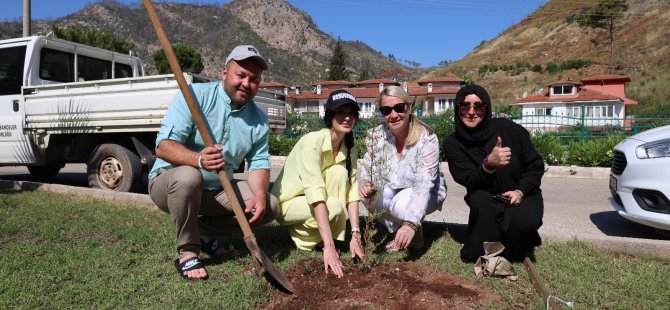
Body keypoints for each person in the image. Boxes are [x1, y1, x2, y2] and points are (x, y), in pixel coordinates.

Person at [148, 45, 278, 280]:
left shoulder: (258, 120)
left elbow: (258, 162)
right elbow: (162, 146)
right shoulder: (194, 96)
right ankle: (188, 252)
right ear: (224, 73)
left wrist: (258, 194)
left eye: (254, 79)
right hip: (169, 183)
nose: (246, 84)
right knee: (188, 176)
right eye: (241, 75)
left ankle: (203, 232)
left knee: (269, 206)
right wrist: (197, 159)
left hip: (216, 189)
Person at [443, 84, 544, 262]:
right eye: (465, 106)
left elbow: (535, 165)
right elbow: (468, 179)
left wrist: (520, 191)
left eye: (478, 106)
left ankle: (516, 241)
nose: (471, 112)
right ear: (458, 108)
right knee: (474, 254)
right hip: (487, 197)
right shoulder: (453, 143)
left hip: (522, 194)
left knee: (523, 224)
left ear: (487, 109)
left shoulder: (510, 129)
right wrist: (488, 164)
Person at [272, 89, 364, 278]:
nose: (347, 118)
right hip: (287, 204)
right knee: (336, 207)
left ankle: (317, 233)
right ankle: (304, 238)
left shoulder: (349, 148)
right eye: (341, 113)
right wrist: (329, 246)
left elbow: (352, 191)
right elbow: (315, 194)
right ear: (330, 116)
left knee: (339, 173)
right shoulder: (312, 142)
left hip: (312, 202)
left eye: (351, 113)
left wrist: (355, 234)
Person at [359, 86, 447, 252]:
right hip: (393, 187)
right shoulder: (376, 136)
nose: (393, 115)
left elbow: (424, 184)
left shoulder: (426, 137)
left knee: (400, 205)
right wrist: (367, 185)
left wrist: (411, 223)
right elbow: (369, 169)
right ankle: (398, 233)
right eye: (386, 110)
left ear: (409, 106)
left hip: (428, 192)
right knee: (369, 197)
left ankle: (413, 232)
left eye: (399, 108)